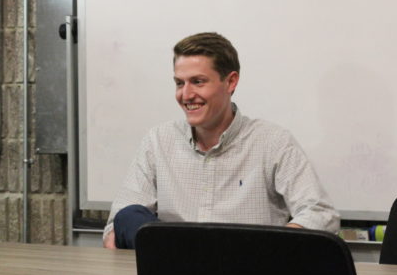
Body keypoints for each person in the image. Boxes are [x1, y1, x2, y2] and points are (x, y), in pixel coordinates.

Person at [103, 32, 340, 249]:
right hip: (175, 274)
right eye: (179, 83)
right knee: (129, 216)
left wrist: (269, 248)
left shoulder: (273, 142)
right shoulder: (158, 141)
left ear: (231, 82)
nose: (186, 95)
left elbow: (321, 214)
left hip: (247, 273)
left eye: (198, 81)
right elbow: (114, 230)